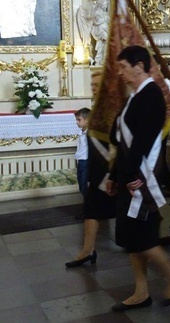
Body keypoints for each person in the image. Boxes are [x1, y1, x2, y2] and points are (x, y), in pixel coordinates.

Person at [105, 45, 170, 311]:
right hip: (129, 175)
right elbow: (119, 138)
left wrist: (127, 175)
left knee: (142, 234)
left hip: (140, 177)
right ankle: (141, 291)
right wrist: (113, 174)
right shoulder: (135, 95)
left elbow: (142, 142)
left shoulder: (151, 95)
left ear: (139, 66)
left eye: (124, 67)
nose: (120, 73)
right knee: (131, 236)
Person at [65, 73, 116, 268]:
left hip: (109, 169)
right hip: (97, 169)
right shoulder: (98, 109)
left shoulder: (111, 109)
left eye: (97, 84)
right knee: (91, 210)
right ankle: (87, 251)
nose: (93, 88)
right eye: (92, 85)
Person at [73, 107, 91, 220]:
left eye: (79, 119)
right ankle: (88, 210)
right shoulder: (81, 132)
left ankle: (88, 212)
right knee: (82, 187)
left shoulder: (90, 134)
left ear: (87, 120)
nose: (77, 122)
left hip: (86, 162)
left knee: (85, 188)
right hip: (81, 161)